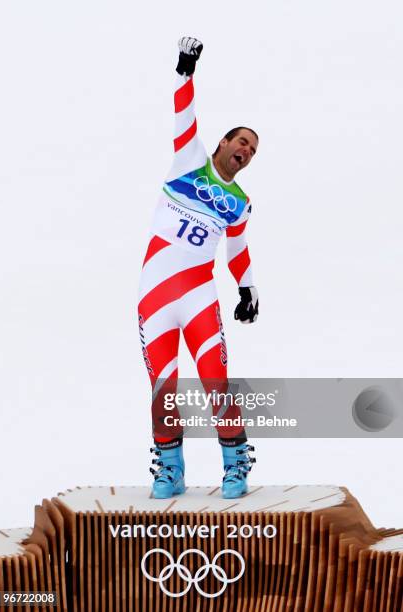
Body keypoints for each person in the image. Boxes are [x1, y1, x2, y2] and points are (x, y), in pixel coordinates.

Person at [138, 37, 259, 499]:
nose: (245, 150)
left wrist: (247, 291)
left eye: (252, 150)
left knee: (216, 384)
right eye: (241, 141)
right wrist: (184, 71)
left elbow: (238, 252)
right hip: (154, 295)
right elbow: (182, 113)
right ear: (224, 142)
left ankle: (236, 465)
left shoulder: (240, 203)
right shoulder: (190, 157)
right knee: (162, 388)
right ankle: (169, 469)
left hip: (198, 295)